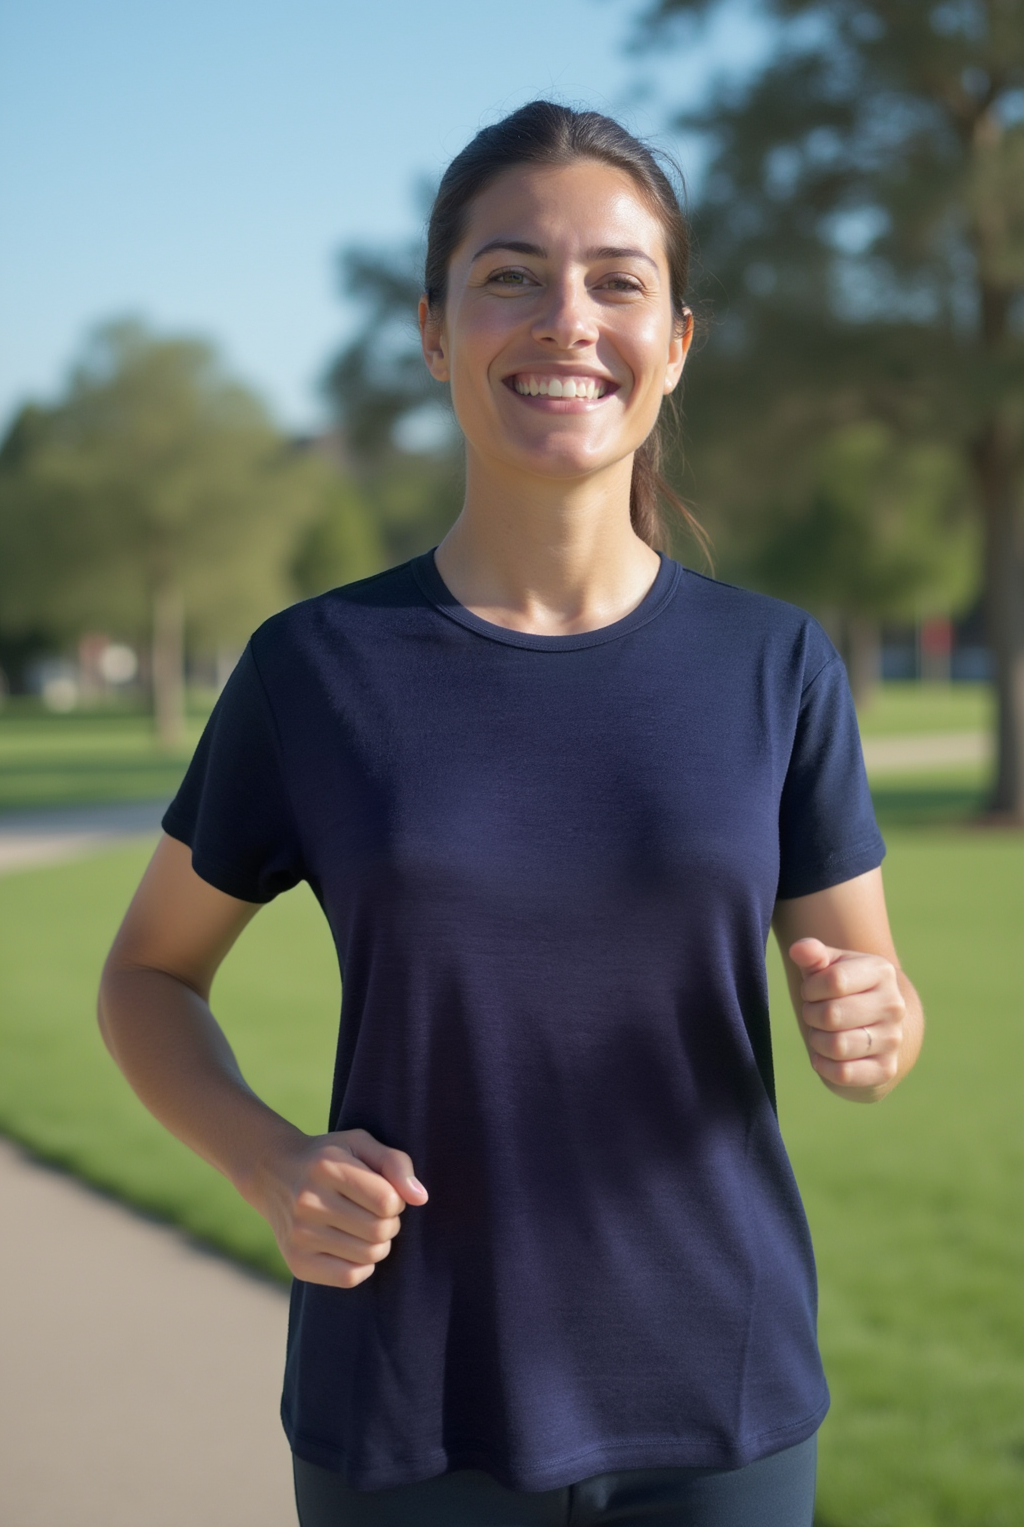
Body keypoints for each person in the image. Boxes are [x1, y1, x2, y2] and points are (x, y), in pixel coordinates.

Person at [98, 102, 923, 1527]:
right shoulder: (315, 670)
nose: (565, 320)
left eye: (618, 279)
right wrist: (269, 1160)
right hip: (407, 1404)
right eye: (510, 275)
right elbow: (146, 978)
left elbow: (874, 1006)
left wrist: (878, 1026)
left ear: (676, 342)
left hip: (716, 1406)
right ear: (434, 332)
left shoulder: (777, 665)